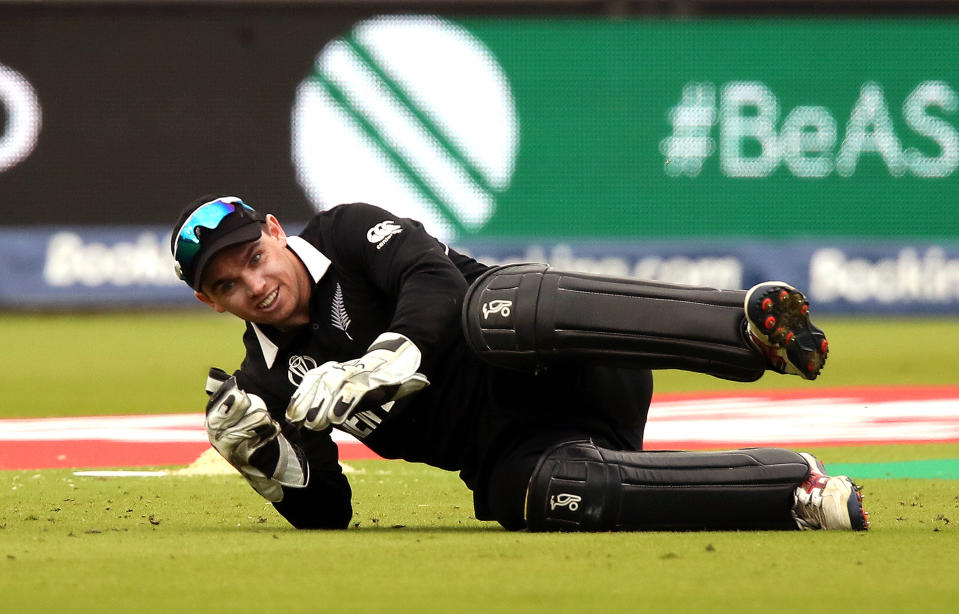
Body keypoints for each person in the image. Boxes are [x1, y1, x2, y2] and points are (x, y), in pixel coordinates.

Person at [170, 195, 869, 532]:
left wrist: (384, 358)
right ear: (210, 301)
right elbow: (329, 514)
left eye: (253, 258)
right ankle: (794, 494)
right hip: (529, 446)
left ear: (272, 232)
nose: (255, 285)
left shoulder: (346, 232)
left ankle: (747, 331)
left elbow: (433, 281)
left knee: (494, 307)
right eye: (228, 284)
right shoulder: (261, 385)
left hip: (571, 357)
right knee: (525, 496)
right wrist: (272, 469)